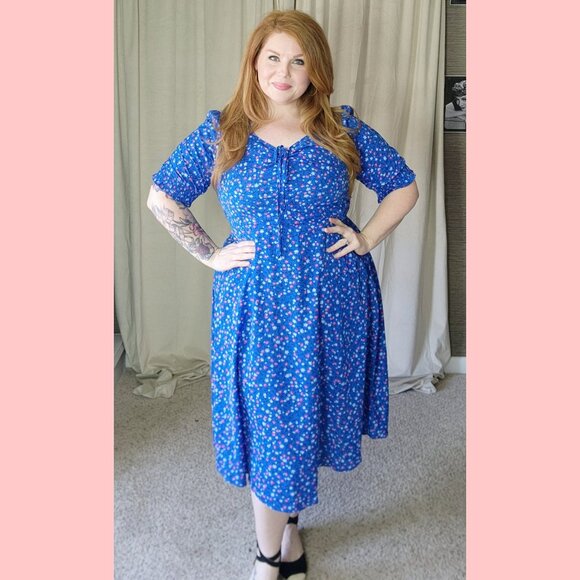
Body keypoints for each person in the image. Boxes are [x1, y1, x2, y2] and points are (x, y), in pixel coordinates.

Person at [147, 9, 419, 580]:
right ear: (254, 63)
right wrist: (210, 254)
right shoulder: (223, 131)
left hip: (332, 300)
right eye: (273, 57)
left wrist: (366, 238)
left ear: (316, 70)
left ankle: (288, 533)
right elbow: (163, 197)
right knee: (273, 428)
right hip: (257, 308)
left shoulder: (341, 129)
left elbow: (403, 187)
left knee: (307, 415)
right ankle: (269, 555)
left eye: (298, 61)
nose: (284, 72)